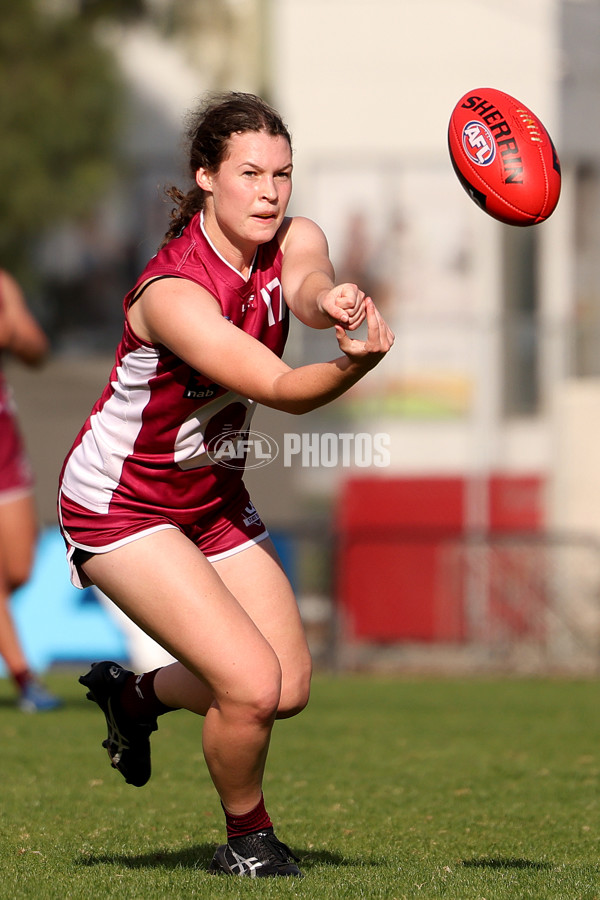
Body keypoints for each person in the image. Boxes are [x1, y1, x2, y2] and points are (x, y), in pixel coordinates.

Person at [58, 92, 394, 877]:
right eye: (250, 173)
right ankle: (248, 843)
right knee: (247, 685)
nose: (271, 191)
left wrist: (333, 301)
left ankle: (135, 700)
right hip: (122, 505)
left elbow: (304, 285)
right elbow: (278, 385)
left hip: (209, 500)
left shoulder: (293, 235)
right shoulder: (173, 292)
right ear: (206, 177)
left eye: (282, 173)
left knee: (288, 687)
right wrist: (353, 364)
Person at [0, 269, 62, 712]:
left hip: (4, 442)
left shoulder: (2, 283)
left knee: (19, 570)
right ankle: (25, 679)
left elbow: (37, 350)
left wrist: (12, 335)